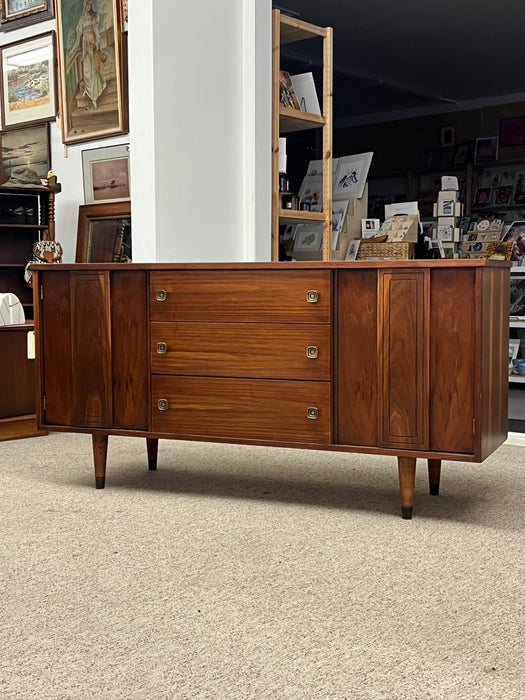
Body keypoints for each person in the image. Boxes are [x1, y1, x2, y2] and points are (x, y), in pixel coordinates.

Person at [70, 0, 106, 109]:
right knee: (86, 70)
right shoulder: (81, 20)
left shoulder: (94, 17)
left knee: (94, 69)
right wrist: (72, 50)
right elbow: (78, 39)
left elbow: (96, 31)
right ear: (84, 5)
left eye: (90, 4)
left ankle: (94, 96)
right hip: (85, 46)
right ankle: (88, 89)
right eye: (87, 4)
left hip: (92, 44)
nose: (88, 6)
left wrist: (99, 42)